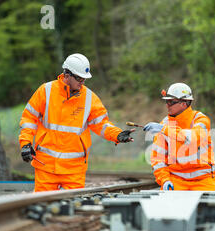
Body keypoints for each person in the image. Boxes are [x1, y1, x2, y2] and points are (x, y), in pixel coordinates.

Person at [19, 53, 135, 192]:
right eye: (79, 78)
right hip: (46, 166)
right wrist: (25, 143)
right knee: (43, 207)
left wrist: (117, 135)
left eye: (84, 79)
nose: (82, 82)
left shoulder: (89, 98)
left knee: (74, 209)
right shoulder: (46, 91)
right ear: (67, 75)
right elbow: (28, 119)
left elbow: (101, 124)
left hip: (74, 169)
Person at [143, 83, 215, 191]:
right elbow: (158, 159)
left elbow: (192, 138)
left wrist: (165, 130)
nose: (167, 105)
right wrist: (165, 180)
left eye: (171, 102)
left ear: (184, 103)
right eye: (166, 101)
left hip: (203, 181)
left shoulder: (200, 120)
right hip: (176, 181)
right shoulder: (164, 124)